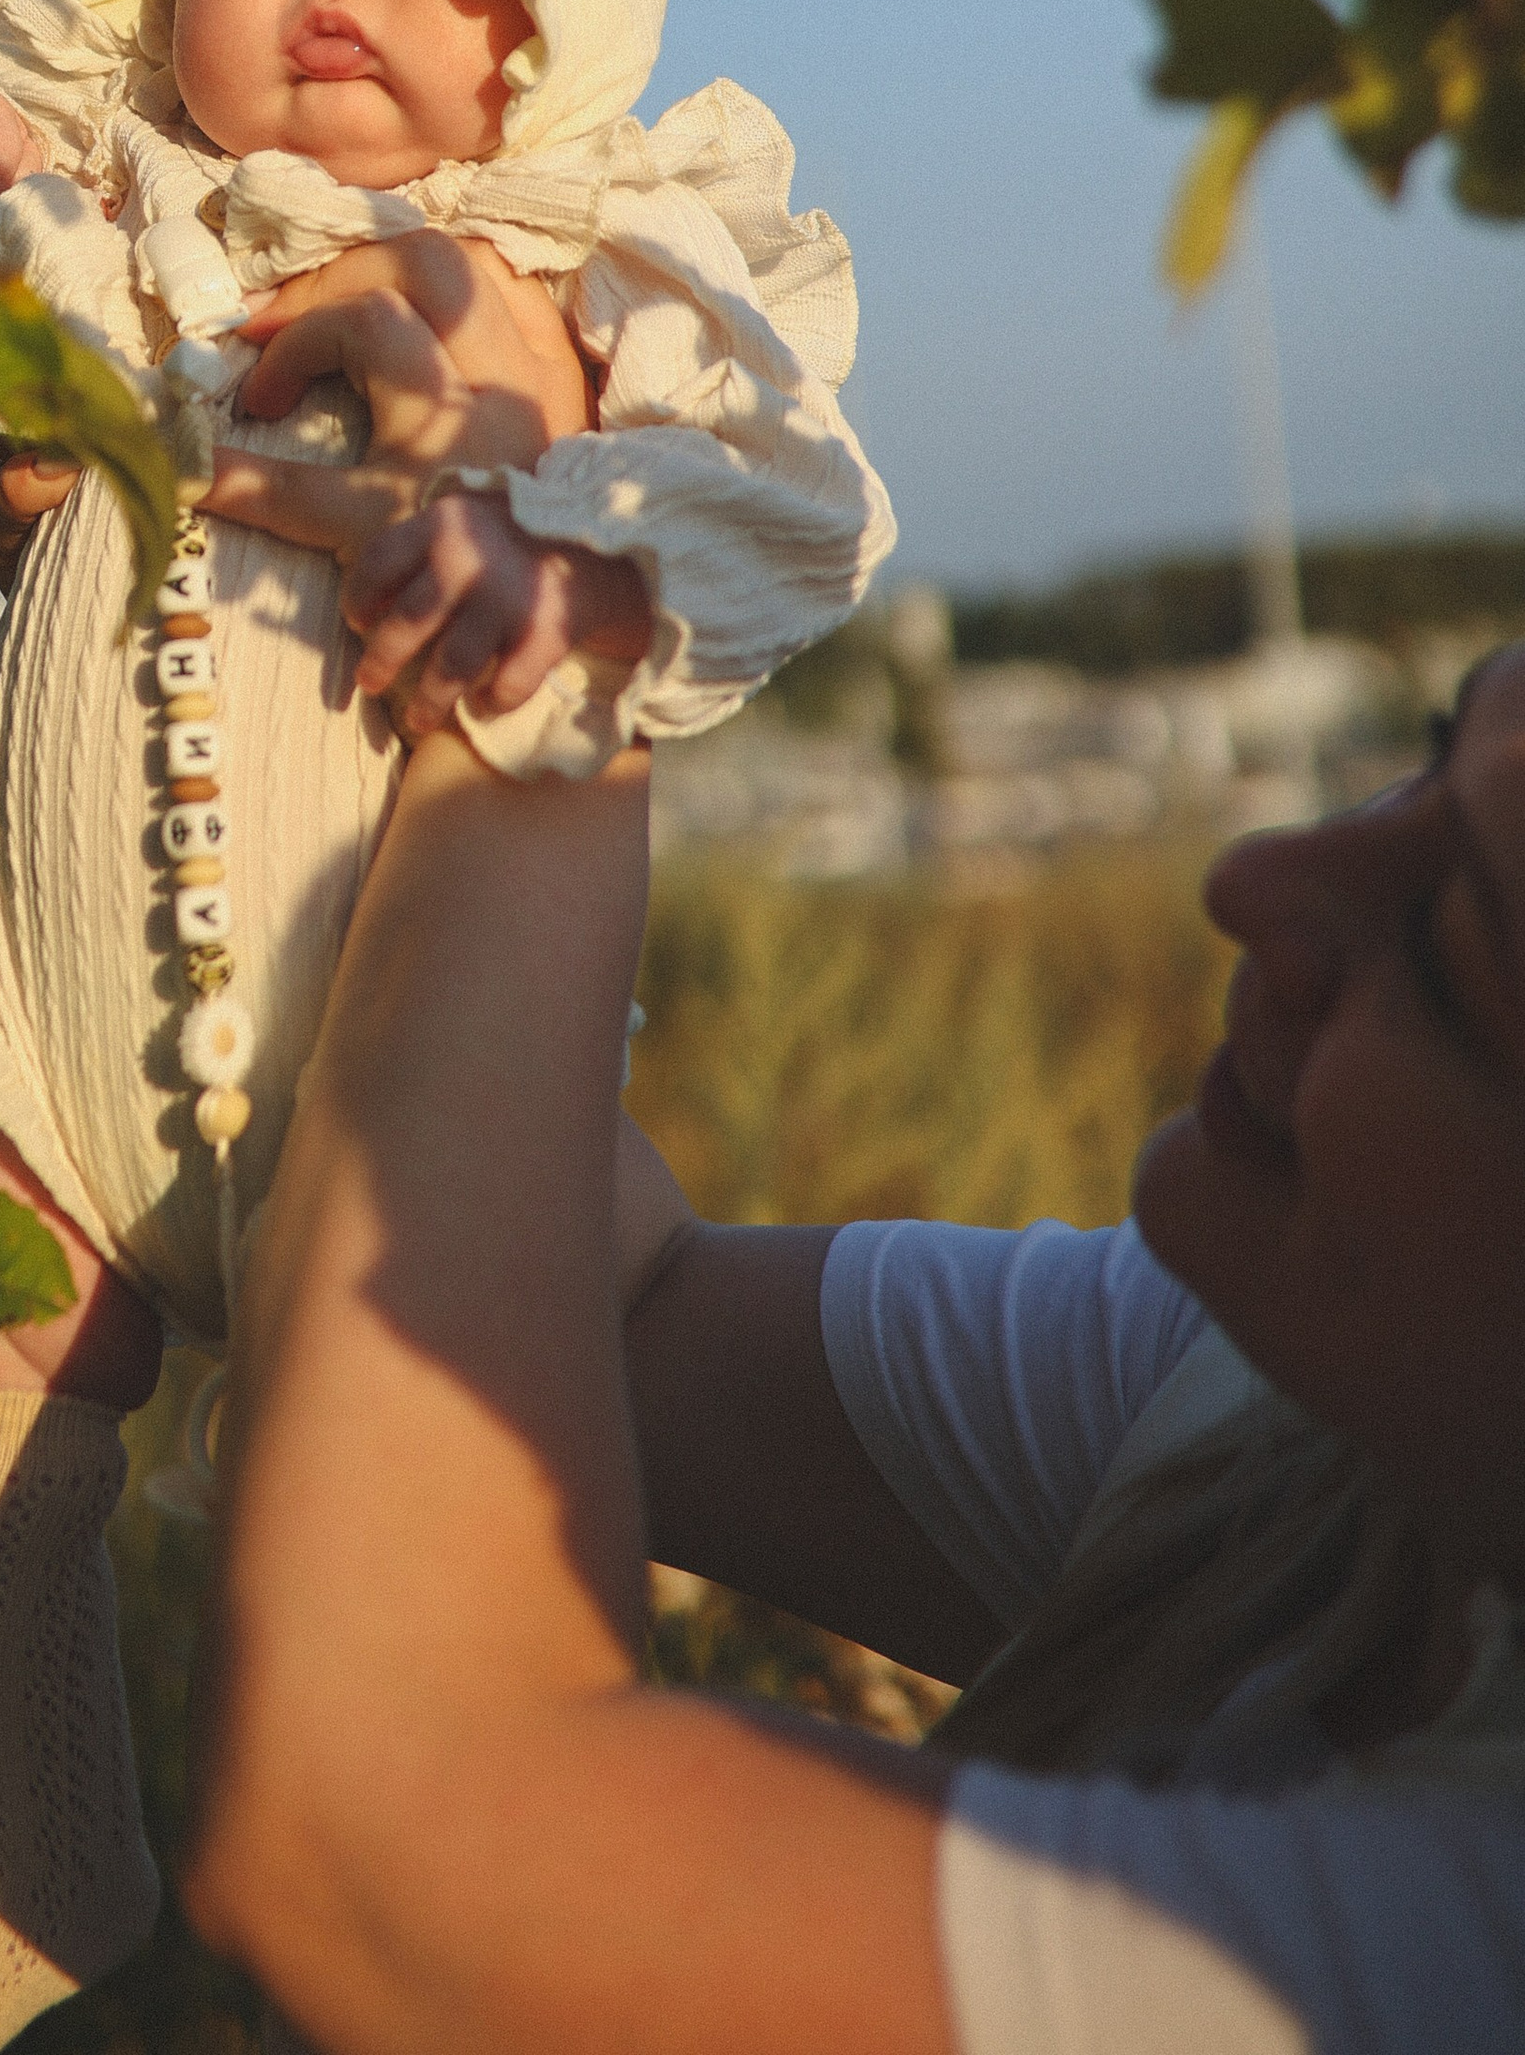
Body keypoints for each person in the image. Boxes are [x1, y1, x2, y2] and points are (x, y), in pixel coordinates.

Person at [0, 0, 897, 2055]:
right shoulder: (117, 213)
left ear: (561, 6)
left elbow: (780, 518)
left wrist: (545, 516)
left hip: (405, 1095)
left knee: (468, 1492)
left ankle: (527, 1900)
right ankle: (31, 1867)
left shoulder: (579, 267)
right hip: (62, 1053)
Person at [185, 274, 1525, 2054]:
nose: (1261, 883)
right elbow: (620, 1297)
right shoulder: (1270, 1429)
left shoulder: (1465, 1947)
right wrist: (236, 656)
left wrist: (558, 654)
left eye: (1446, 952)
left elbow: (392, 1846)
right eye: (1434, 755)